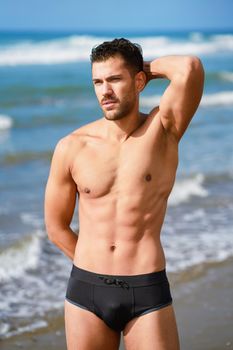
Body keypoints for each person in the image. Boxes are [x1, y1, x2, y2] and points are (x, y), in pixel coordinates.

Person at [44, 38, 204, 350]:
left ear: (139, 81)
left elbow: (189, 68)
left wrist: (139, 67)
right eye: (98, 82)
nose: (105, 91)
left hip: (146, 289)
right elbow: (56, 227)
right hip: (87, 290)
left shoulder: (163, 130)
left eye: (115, 79)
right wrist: (97, 269)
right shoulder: (72, 146)